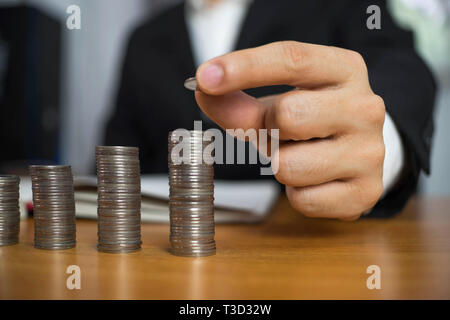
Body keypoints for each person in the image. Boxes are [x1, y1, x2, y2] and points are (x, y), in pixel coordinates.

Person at [105, 0, 436, 220]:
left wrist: (382, 139)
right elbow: (120, 149)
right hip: (165, 250)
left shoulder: (336, 5)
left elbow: (405, 68)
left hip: (308, 244)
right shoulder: (143, 38)